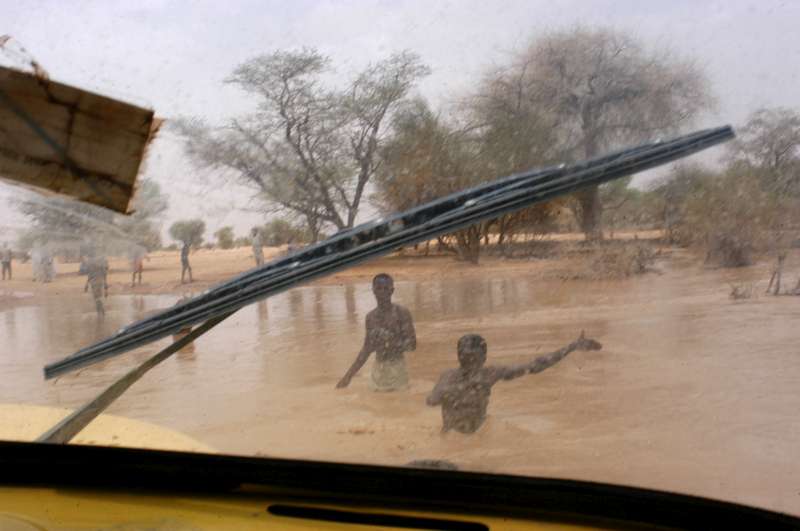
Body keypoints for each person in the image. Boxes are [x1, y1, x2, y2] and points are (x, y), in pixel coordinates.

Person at [426, 331, 602, 434]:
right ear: (458, 357)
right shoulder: (449, 376)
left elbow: (535, 366)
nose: (469, 361)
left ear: (484, 357)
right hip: (452, 437)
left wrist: (571, 347)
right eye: (465, 357)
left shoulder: (491, 373)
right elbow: (432, 400)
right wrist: (459, 388)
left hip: (477, 435)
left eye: (473, 358)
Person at [336, 273, 416, 391]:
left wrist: (390, 341)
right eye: (378, 289)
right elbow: (366, 350)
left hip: (398, 368)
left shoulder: (401, 313)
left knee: (398, 401)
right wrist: (348, 377)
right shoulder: (371, 317)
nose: (382, 293)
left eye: (385, 289)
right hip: (378, 369)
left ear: (392, 291)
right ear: (373, 290)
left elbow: (412, 345)